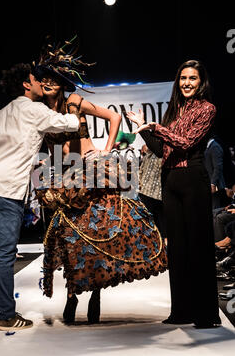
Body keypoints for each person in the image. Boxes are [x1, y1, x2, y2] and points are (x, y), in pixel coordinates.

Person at [34, 38, 167, 324]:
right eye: (43, 79)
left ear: (61, 83)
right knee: (70, 236)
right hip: (65, 177)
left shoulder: (74, 102)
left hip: (91, 173)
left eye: (52, 79)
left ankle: (95, 293)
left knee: (99, 233)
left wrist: (106, 149)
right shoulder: (40, 112)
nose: (47, 83)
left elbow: (113, 117)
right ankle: (72, 293)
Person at [0, 62, 80, 331]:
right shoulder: (35, 110)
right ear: (25, 84)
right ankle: (7, 315)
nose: (42, 82)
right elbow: (71, 123)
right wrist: (74, 103)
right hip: (6, 189)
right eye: (36, 79)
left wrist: (6, 154)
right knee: (6, 252)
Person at [127, 59, 221, 329]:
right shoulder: (174, 109)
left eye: (192, 78)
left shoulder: (207, 109)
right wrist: (146, 129)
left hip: (192, 178)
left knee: (199, 247)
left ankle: (205, 314)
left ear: (201, 82)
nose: (187, 83)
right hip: (170, 179)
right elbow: (161, 150)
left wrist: (156, 127)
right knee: (177, 249)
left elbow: (187, 143)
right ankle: (181, 311)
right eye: (183, 78)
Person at [204, 136, 226, 209]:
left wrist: (213, 183)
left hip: (215, 184)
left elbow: (218, 167)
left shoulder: (215, 147)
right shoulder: (208, 146)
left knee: (215, 208)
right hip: (209, 182)